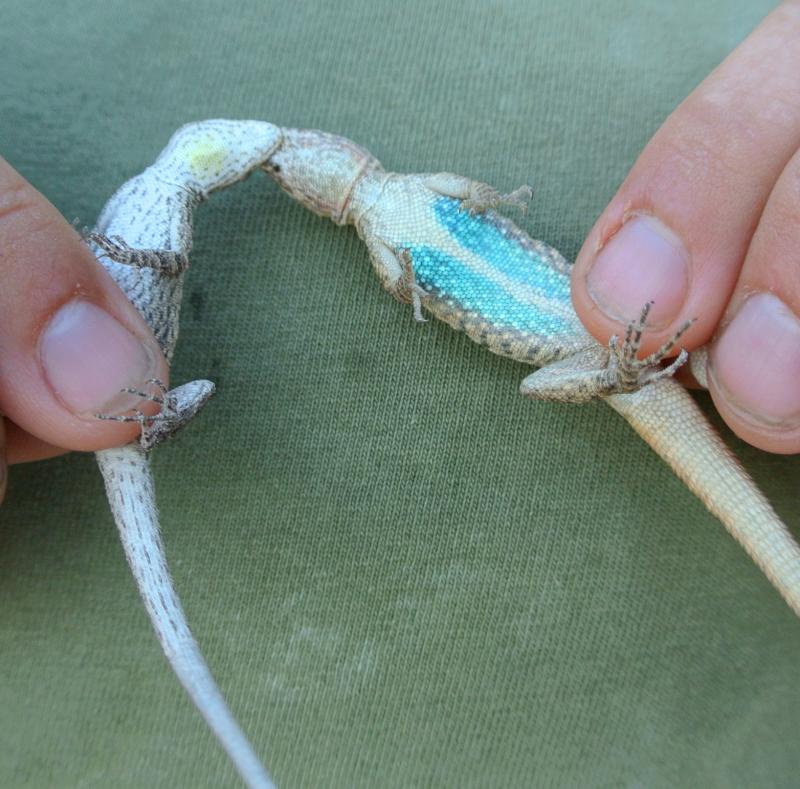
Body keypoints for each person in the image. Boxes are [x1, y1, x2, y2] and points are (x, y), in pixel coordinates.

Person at [0, 4, 797, 505]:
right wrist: (617, 374)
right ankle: (625, 378)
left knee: (705, 369)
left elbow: (456, 206)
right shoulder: (387, 222)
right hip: (593, 361)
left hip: (610, 330)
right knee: (588, 377)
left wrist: (487, 207)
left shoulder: (388, 212)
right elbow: (446, 214)